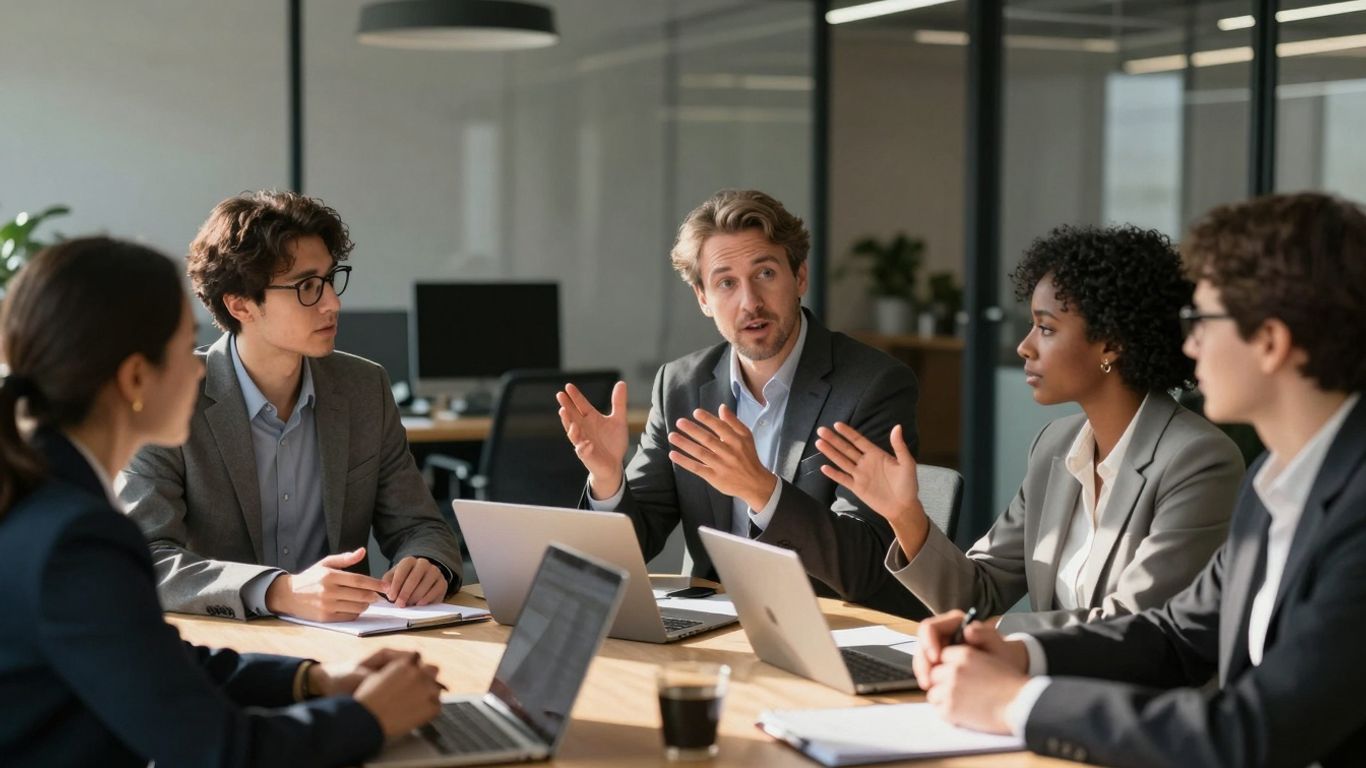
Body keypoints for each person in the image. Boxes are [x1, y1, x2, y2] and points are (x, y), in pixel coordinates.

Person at [912, 192, 1366, 767]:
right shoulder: (1273, 483)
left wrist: (1019, 704)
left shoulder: (1353, 509)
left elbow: (1252, 734)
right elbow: (1172, 638)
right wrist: (1013, 650)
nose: (1190, 342)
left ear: (1271, 343)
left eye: (1203, 320)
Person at [0, 237, 442, 767]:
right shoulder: (75, 538)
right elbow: (220, 753)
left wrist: (311, 680)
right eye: (185, 344)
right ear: (136, 378)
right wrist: (368, 719)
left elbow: (156, 662)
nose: (199, 368)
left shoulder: (44, 497)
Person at [816, 224, 1244, 632]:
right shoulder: (1055, 447)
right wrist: (905, 516)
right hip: (1037, 690)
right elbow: (977, 595)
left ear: (1111, 344)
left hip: (1137, 704)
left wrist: (987, 634)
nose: (1025, 346)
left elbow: (1135, 625)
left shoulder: (1197, 460)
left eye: (1045, 328)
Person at [557, 188, 924, 617]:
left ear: (799, 276)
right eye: (726, 282)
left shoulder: (871, 385)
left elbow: (865, 567)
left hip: (828, 626)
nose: (750, 302)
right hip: (714, 622)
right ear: (703, 299)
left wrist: (760, 489)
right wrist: (607, 479)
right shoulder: (679, 386)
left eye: (765, 274)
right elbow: (631, 547)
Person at [120, 191, 463, 622]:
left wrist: (428, 563)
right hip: (228, 650)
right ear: (240, 304)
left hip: (352, 641)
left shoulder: (364, 387)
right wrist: (278, 591)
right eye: (306, 287)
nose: (332, 303)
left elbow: (421, 526)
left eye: (329, 279)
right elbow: (143, 558)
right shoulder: (171, 398)